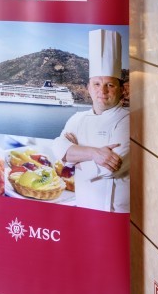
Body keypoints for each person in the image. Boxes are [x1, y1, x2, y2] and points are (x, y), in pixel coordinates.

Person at [51, 29, 130, 212]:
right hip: (83, 206)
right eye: (96, 84)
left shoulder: (127, 120)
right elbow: (57, 147)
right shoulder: (77, 118)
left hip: (115, 211)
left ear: (121, 90)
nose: (102, 91)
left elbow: (110, 169)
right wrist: (95, 154)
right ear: (88, 88)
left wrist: (72, 159)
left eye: (109, 85)